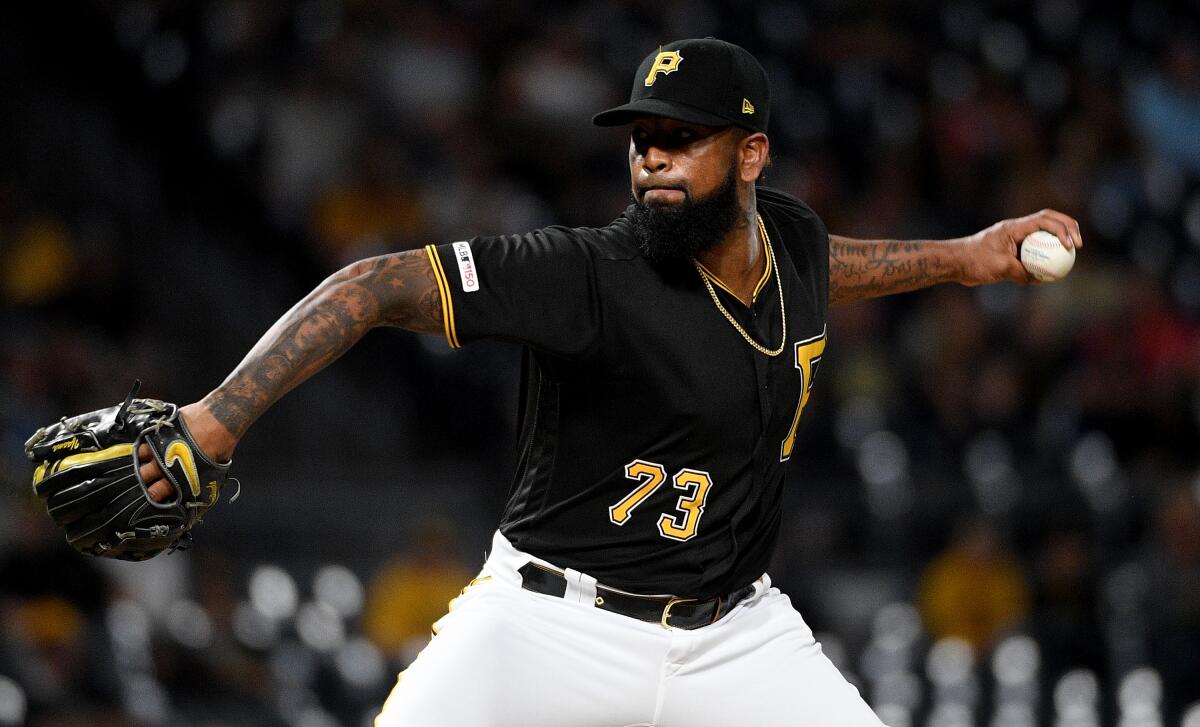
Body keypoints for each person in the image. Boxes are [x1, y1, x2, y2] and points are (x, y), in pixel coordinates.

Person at [135, 38, 1082, 726]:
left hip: (736, 636)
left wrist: (965, 257)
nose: (653, 156)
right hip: (548, 625)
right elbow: (374, 285)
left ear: (751, 154)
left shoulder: (788, 236)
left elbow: (835, 263)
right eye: (641, 137)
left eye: (684, 136)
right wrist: (217, 416)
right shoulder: (587, 273)